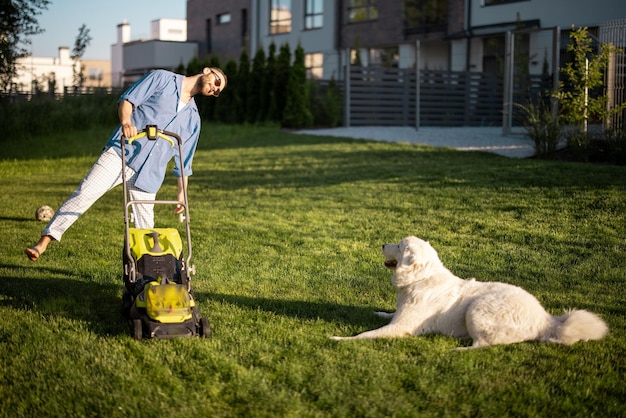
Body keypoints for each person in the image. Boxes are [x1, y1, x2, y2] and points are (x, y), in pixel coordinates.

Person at [25, 67, 227, 261]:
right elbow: (128, 100)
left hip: (150, 174)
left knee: (145, 229)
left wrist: (182, 192)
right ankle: (43, 242)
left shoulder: (193, 118)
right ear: (207, 70)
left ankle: (144, 277)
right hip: (122, 153)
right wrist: (126, 122)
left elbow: (184, 160)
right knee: (85, 193)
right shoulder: (162, 79)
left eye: (218, 91)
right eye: (216, 81)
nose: (214, 88)